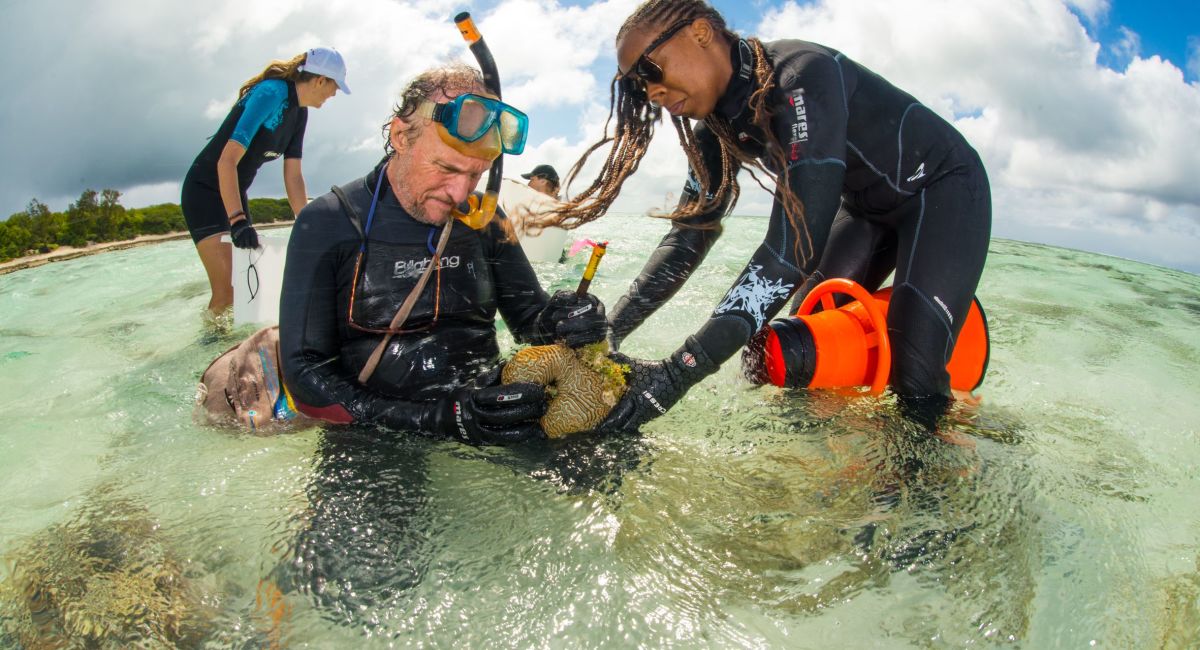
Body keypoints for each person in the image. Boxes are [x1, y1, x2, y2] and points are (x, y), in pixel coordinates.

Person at [548, 0, 992, 431]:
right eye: (635, 85)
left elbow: (792, 250)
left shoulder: (800, 76)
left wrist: (676, 374)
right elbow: (686, 239)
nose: (650, 91)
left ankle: (943, 476)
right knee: (792, 350)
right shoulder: (715, 133)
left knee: (914, 373)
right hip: (864, 210)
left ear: (700, 32)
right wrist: (610, 332)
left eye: (649, 70)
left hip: (942, 187)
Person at [277, 63, 608, 445]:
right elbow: (304, 373)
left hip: (483, 410)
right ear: (401, 136)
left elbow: (530, 320)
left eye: (475, 175)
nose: (459, 192)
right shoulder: (327, 222)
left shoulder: (483, 217)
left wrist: (569, 320)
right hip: (374, 430)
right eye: (446, 168)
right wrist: (429, 419)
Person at [182, 47, 349, 320]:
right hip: (206, 192)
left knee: (250, 293)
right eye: (335, 87)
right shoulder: (271, 93)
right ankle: (207, 348)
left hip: (235, 195)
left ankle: (234, 347)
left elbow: (293, 174)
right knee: (227, 293)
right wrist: (237, 220)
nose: (334, 94)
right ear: (320, 80)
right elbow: (226, 161)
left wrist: (306, 224)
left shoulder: (300, 112)